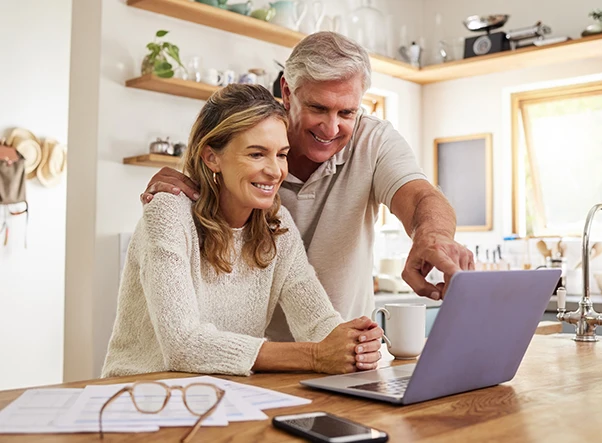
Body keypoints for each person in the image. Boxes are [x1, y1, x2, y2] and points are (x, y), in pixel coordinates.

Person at [140, 32, 474, 342]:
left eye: (347, 112)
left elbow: (420, 197)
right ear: (287, 91)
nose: (331, 128)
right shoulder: (245, 146)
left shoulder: (374, 141)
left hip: (333, 348)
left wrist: (433, 237)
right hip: (248, 357)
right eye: (318, 107)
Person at [102, 84, 383, 378]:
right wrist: (315, 355)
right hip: (139, 398)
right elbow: (183, 345)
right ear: (212, 157)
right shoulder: (169, 212)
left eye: (281, 155)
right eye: (257, 154)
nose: (275, 171)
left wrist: (355, 343)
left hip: (224, 397)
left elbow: (318, 324)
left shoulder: (277, 225)